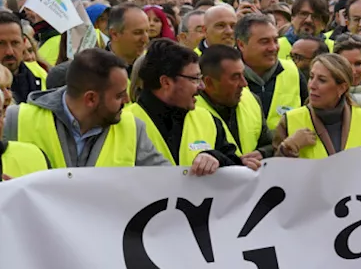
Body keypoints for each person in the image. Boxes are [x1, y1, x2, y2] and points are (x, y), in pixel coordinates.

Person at [3, 48, 168, 168]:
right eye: (119, 95)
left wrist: (193, 169)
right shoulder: (15, 121)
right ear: (90, 98)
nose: (127, 100)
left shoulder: (133, 128)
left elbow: (165, 180)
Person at [127, 40, 254, 172]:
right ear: (166, 82)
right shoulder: (127, 123)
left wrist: (216, 157)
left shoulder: (206, 119)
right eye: (194, 79)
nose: (202, 86)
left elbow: (235, 165)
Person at [274, 53, 361, 158]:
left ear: (342, 88)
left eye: (322, 80)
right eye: (311, 77)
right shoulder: (289, 120)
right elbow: (274, 172)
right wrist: (287, 147)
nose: (312, 85)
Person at [197, 45, 273, 160]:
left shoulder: (251, 100)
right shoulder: (189, 111)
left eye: (243, 74)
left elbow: (269, 144)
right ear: (209, 82)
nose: (244, 83)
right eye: (235, 77)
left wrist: (262, 153)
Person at [237, 13, 305, 130]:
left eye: (275, 40)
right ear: (241, 44)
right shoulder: (227, 75)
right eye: (264, 41)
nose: (273, 47)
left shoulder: (292, 71)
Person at [0, 12, 48, 104]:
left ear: (24, 42)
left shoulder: (41, 75)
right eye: (1, 43)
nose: (10, 51)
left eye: (15, 43)